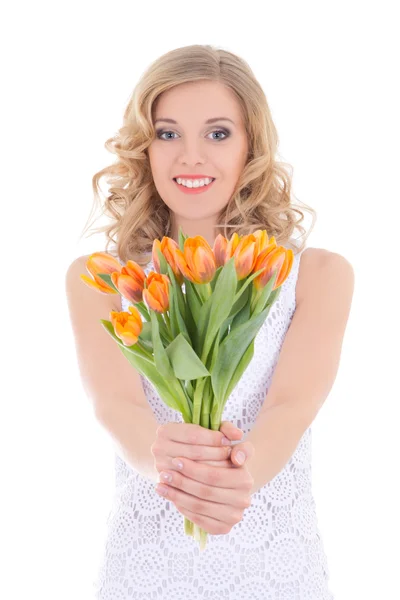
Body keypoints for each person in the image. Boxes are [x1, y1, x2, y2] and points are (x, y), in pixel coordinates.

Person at [66, 44, 354, 599]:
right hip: (144, 569)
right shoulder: (101, 277)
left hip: (277, 568)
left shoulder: (317, 274)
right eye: (168, 133)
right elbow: (116, 405)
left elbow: (292, 405)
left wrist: (238, 479)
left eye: (218, 133)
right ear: (144, 147)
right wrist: (175, 473)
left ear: (251, 145)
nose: (190, 157)